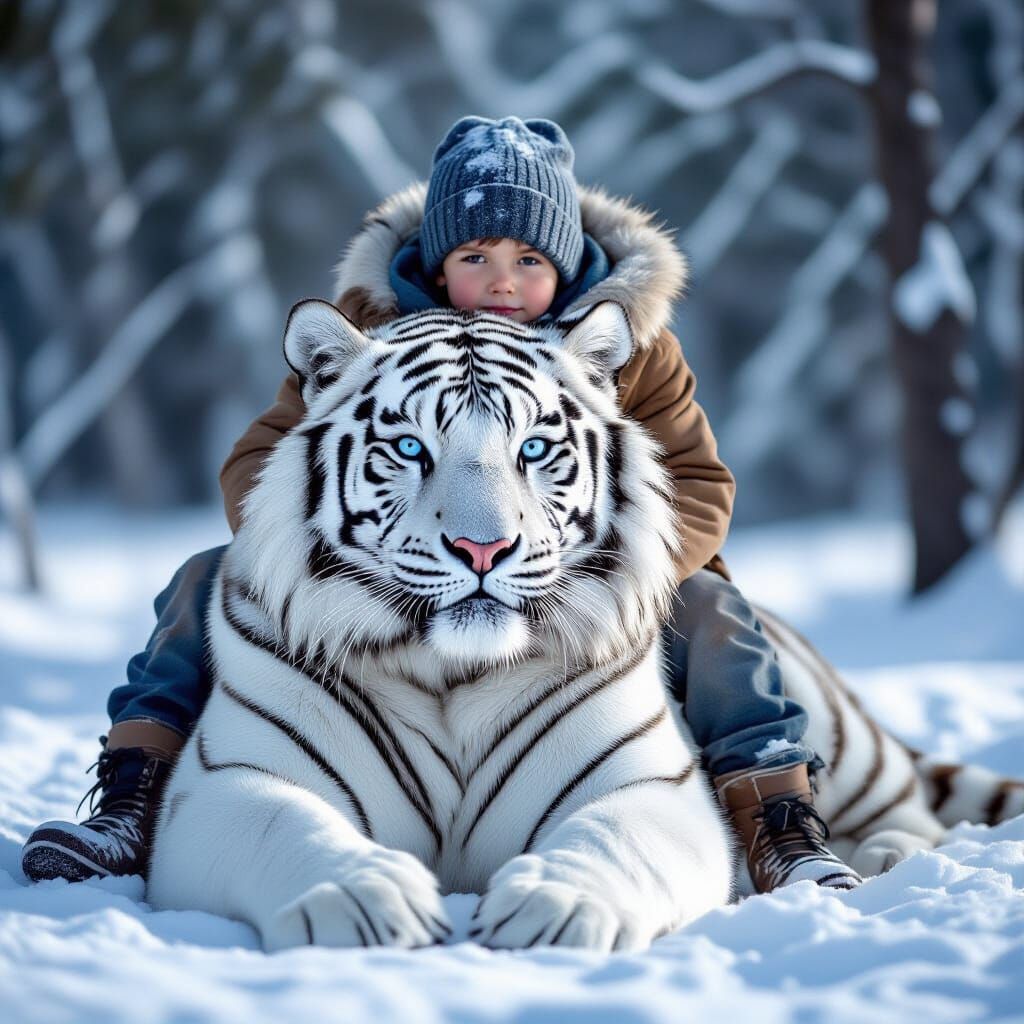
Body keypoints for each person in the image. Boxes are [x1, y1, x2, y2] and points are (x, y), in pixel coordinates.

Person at [22, 116, 860, 895]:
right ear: (434, 263)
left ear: (565, 267)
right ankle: (136, 794)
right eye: (476, 260)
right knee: (203, 578)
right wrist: (310, 541)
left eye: (529, 262)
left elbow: (701, 481)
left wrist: (631, 568)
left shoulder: (629, 345)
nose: (502, 283)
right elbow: (264, 457)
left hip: (585, 563)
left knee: (715, 613)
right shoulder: (364, 329)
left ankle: (774, 820)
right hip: (391, 557)